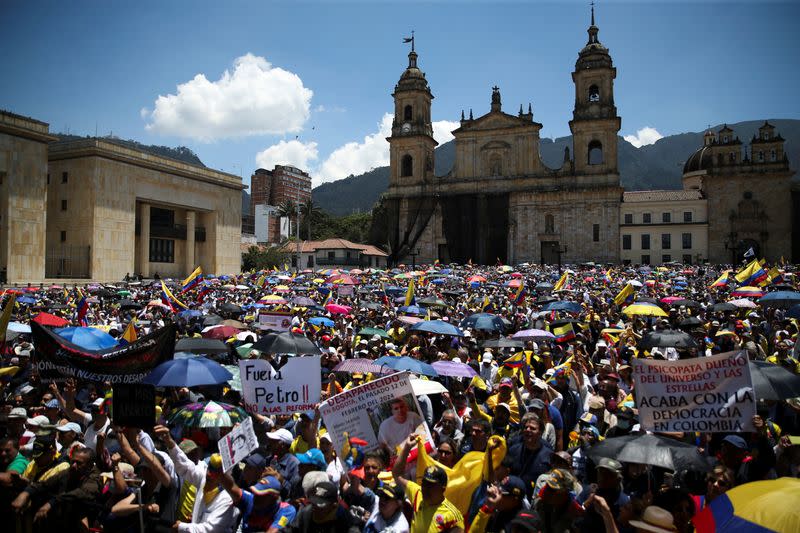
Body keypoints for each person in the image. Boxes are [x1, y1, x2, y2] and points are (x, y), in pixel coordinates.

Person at [154, 424, 239, 532]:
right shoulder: (204, 479)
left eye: (215, 473)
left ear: (224, 478)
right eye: (209, 469)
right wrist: (169, 440)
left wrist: (182, 527)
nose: (208, 474)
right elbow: (185, 466)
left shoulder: (227, 499)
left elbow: (210, 529)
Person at [11, 447, 101, 530]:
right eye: (73, 461)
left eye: (79, 463)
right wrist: (25, 493)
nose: (74, 465)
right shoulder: (69, 472)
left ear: (89, 466)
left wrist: (52, 502)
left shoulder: (94, 478)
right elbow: (44, 484)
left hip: (81, 520)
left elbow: (81, 493)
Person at [392, 434, 464, 533]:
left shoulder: (453, 518)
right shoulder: (417, 493)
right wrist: (407, 447)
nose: (425, 489)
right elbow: (397, 474)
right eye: (424, 483)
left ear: (443, 489)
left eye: (431, 486)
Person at [220, 472, 296, 533]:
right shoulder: (250, 499)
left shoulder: (287, 511)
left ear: (274, 497)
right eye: (255, 493)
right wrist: (219, 472)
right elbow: (231, 487)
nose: (256, 498)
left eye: (261, 495)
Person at [286, 480, 361, 533]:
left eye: (321, 506)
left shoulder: (345, 521)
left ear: (334, 505)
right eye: (314, 503)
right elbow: (290, 530)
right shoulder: (305, 513)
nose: (316, 508)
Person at [508, 414, 553, 497]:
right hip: (512, 497)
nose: (528, 430)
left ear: (540, 433)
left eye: (532, 428)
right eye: (526, 427)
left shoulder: (549, 456)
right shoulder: (513, 450)